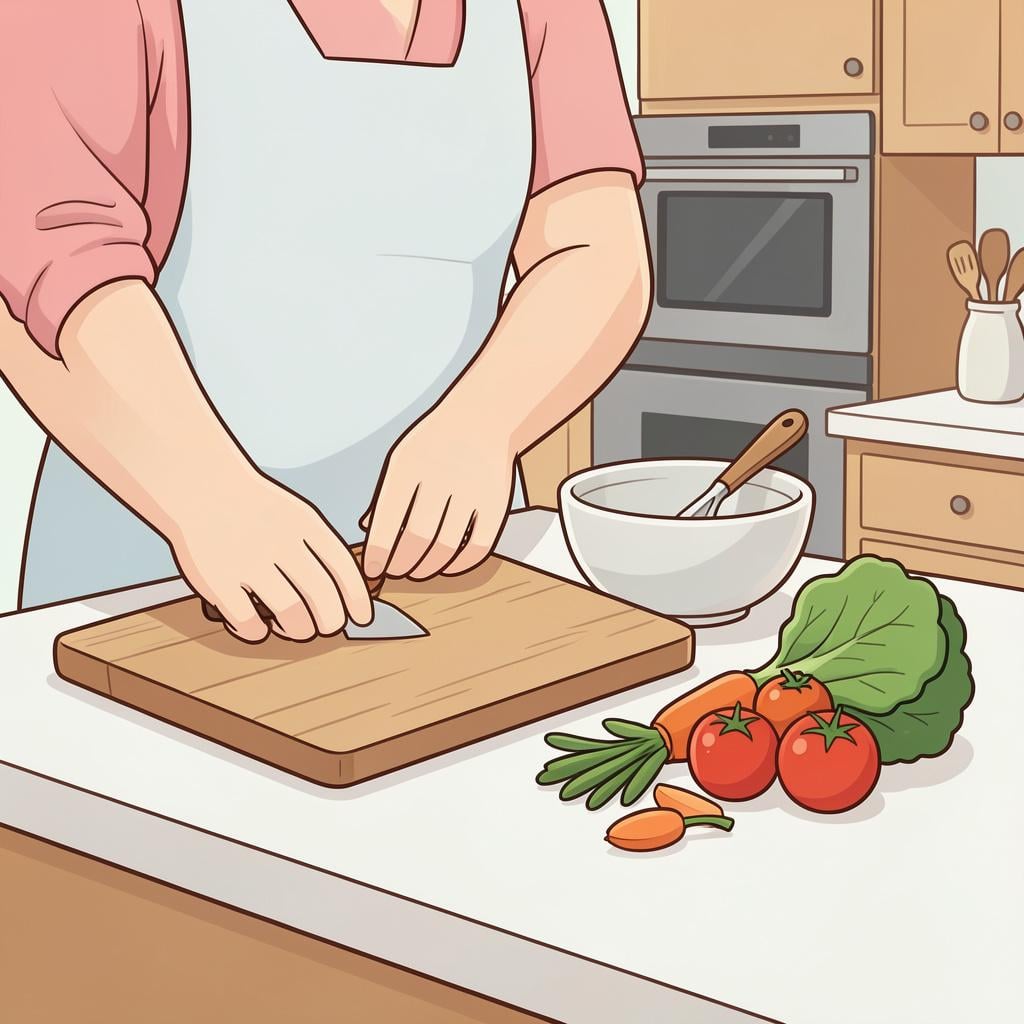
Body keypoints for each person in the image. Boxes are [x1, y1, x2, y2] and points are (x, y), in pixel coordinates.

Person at [0, 0, 649, 642]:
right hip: (150, 575)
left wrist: (483, 425)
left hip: (439, 564)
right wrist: (208, 496)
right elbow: (51, 278)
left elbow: (592, 246)